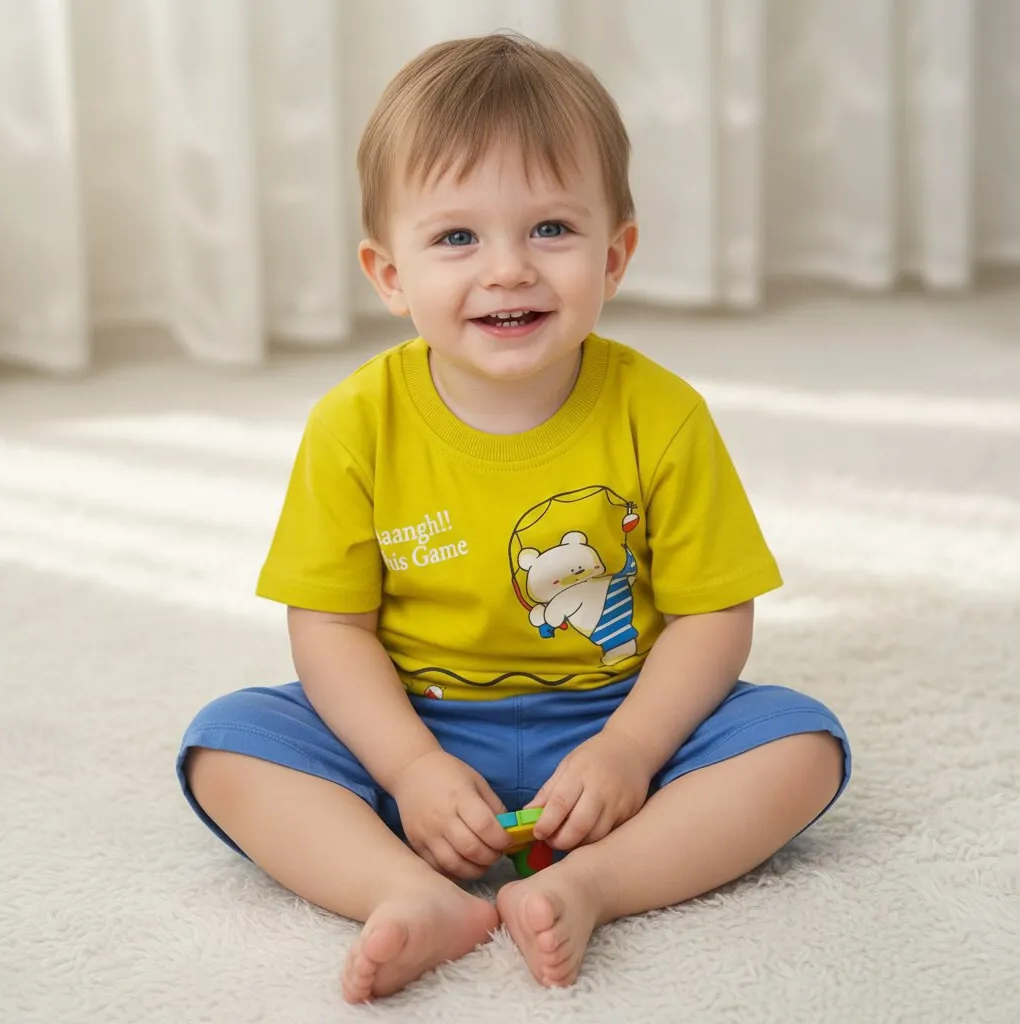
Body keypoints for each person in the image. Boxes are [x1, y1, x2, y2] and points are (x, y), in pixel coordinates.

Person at [176, 32, 851, 1004]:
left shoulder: (662, 414)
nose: (507, 270)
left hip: (618, 709)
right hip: (417, 714)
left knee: (800, 745)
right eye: (457, 237)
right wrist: (409, 767)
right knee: (229, 742)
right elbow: (329, 627)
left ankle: (593, 882)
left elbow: (711, 613)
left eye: (550, 229)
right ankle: (405, 890)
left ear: (613, 256)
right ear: (388, 274)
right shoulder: (354, 425)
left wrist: (631, 750)